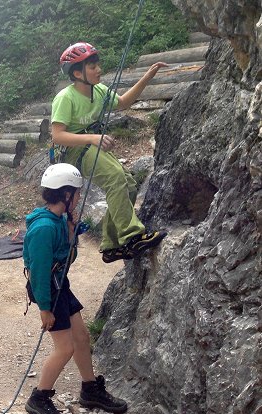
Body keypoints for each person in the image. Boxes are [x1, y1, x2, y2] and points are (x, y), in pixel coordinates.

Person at [23, 163, 127, 414]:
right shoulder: (43, 229)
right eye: (77, 193)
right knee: (65, 347)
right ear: (66, 195)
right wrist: (45, 309)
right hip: (49, 288)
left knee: (80, 337)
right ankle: (39, 397)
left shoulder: (58, 220)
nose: (80, 197)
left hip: (59, 284)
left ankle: (90, 389)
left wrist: (71, 230)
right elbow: (38, 271)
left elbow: (69, 258)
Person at [52, 42, 167, 264]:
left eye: (97, 65)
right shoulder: (66, 97)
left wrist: (147, 77)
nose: (99, 70)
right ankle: (131, 236)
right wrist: (92, 138)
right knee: (115, 178)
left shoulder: (99, 90)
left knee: (129, 183)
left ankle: (111, 245)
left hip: (91, 145)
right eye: (93, 67)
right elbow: (57, 135)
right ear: (77, 73)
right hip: (73, 151)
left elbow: (123, 103)